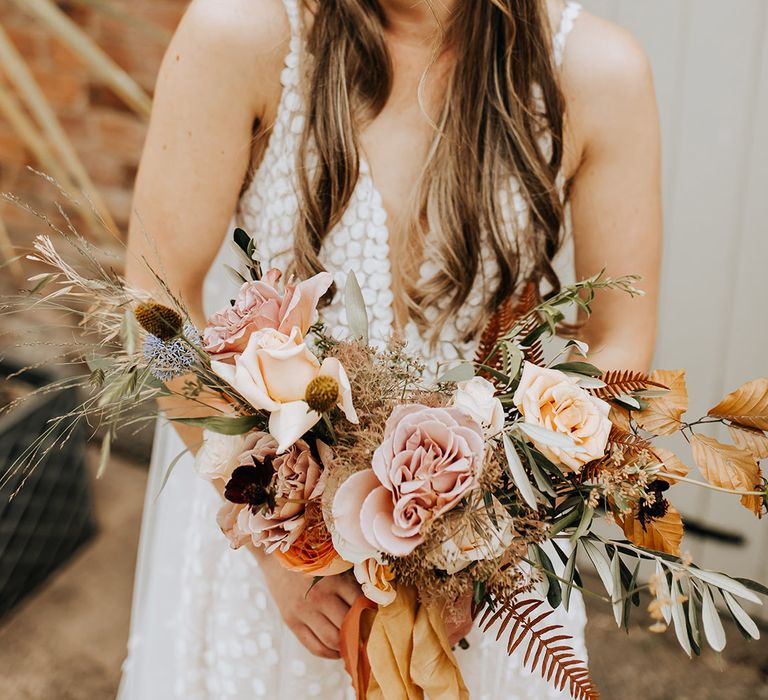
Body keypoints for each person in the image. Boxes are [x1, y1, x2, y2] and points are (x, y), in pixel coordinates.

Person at [120, 0, 661, 697]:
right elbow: (152, 305)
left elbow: (620, 337)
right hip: (272, 549)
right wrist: (271, 531)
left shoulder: (597, 75)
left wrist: (485, 539)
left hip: (484, 568)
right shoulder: (242, 32)